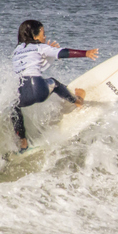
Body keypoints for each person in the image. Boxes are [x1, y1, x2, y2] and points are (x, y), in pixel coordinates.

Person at [11, 19, 98, 151]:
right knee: (54, 83)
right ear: (34, 36)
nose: (45, 37)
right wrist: (85, 53)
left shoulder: (16, 51)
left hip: (24, 94)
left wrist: (48, 54)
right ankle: (77, 101)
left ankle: (23, 141)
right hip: (39, 91)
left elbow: (34, 67)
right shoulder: (41, 47)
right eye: (43, 34)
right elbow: (62, 53)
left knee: (14, 106)